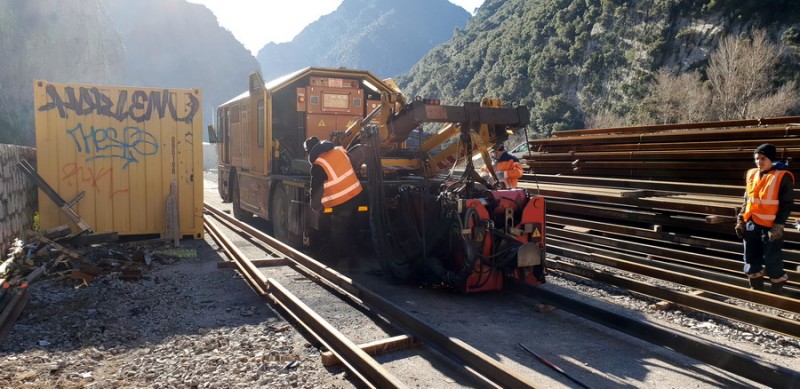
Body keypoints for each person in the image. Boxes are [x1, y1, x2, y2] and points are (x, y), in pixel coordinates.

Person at [735, 143, 795, 294]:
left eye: (762, 158)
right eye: (756, 158)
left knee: (772, 259)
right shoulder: (752, 174)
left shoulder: (782, 176)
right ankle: (757, 292)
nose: (759, 162)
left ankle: (776, 293)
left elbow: (786, 204)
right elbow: (747, 200)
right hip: (752, 224)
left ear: (771, 159)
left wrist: (779, 225)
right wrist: (741, 220)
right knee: (750, 258)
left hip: (770, 227)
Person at [304, 136, 363, 270]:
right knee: (352, 228)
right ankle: (354, 262)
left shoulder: (318, 165)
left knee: (338, 232)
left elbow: (317, 189)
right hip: (358, 194)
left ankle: (341, 263)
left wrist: (315, 206)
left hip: (343, 201)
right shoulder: (339, 151)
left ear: (310, 151)